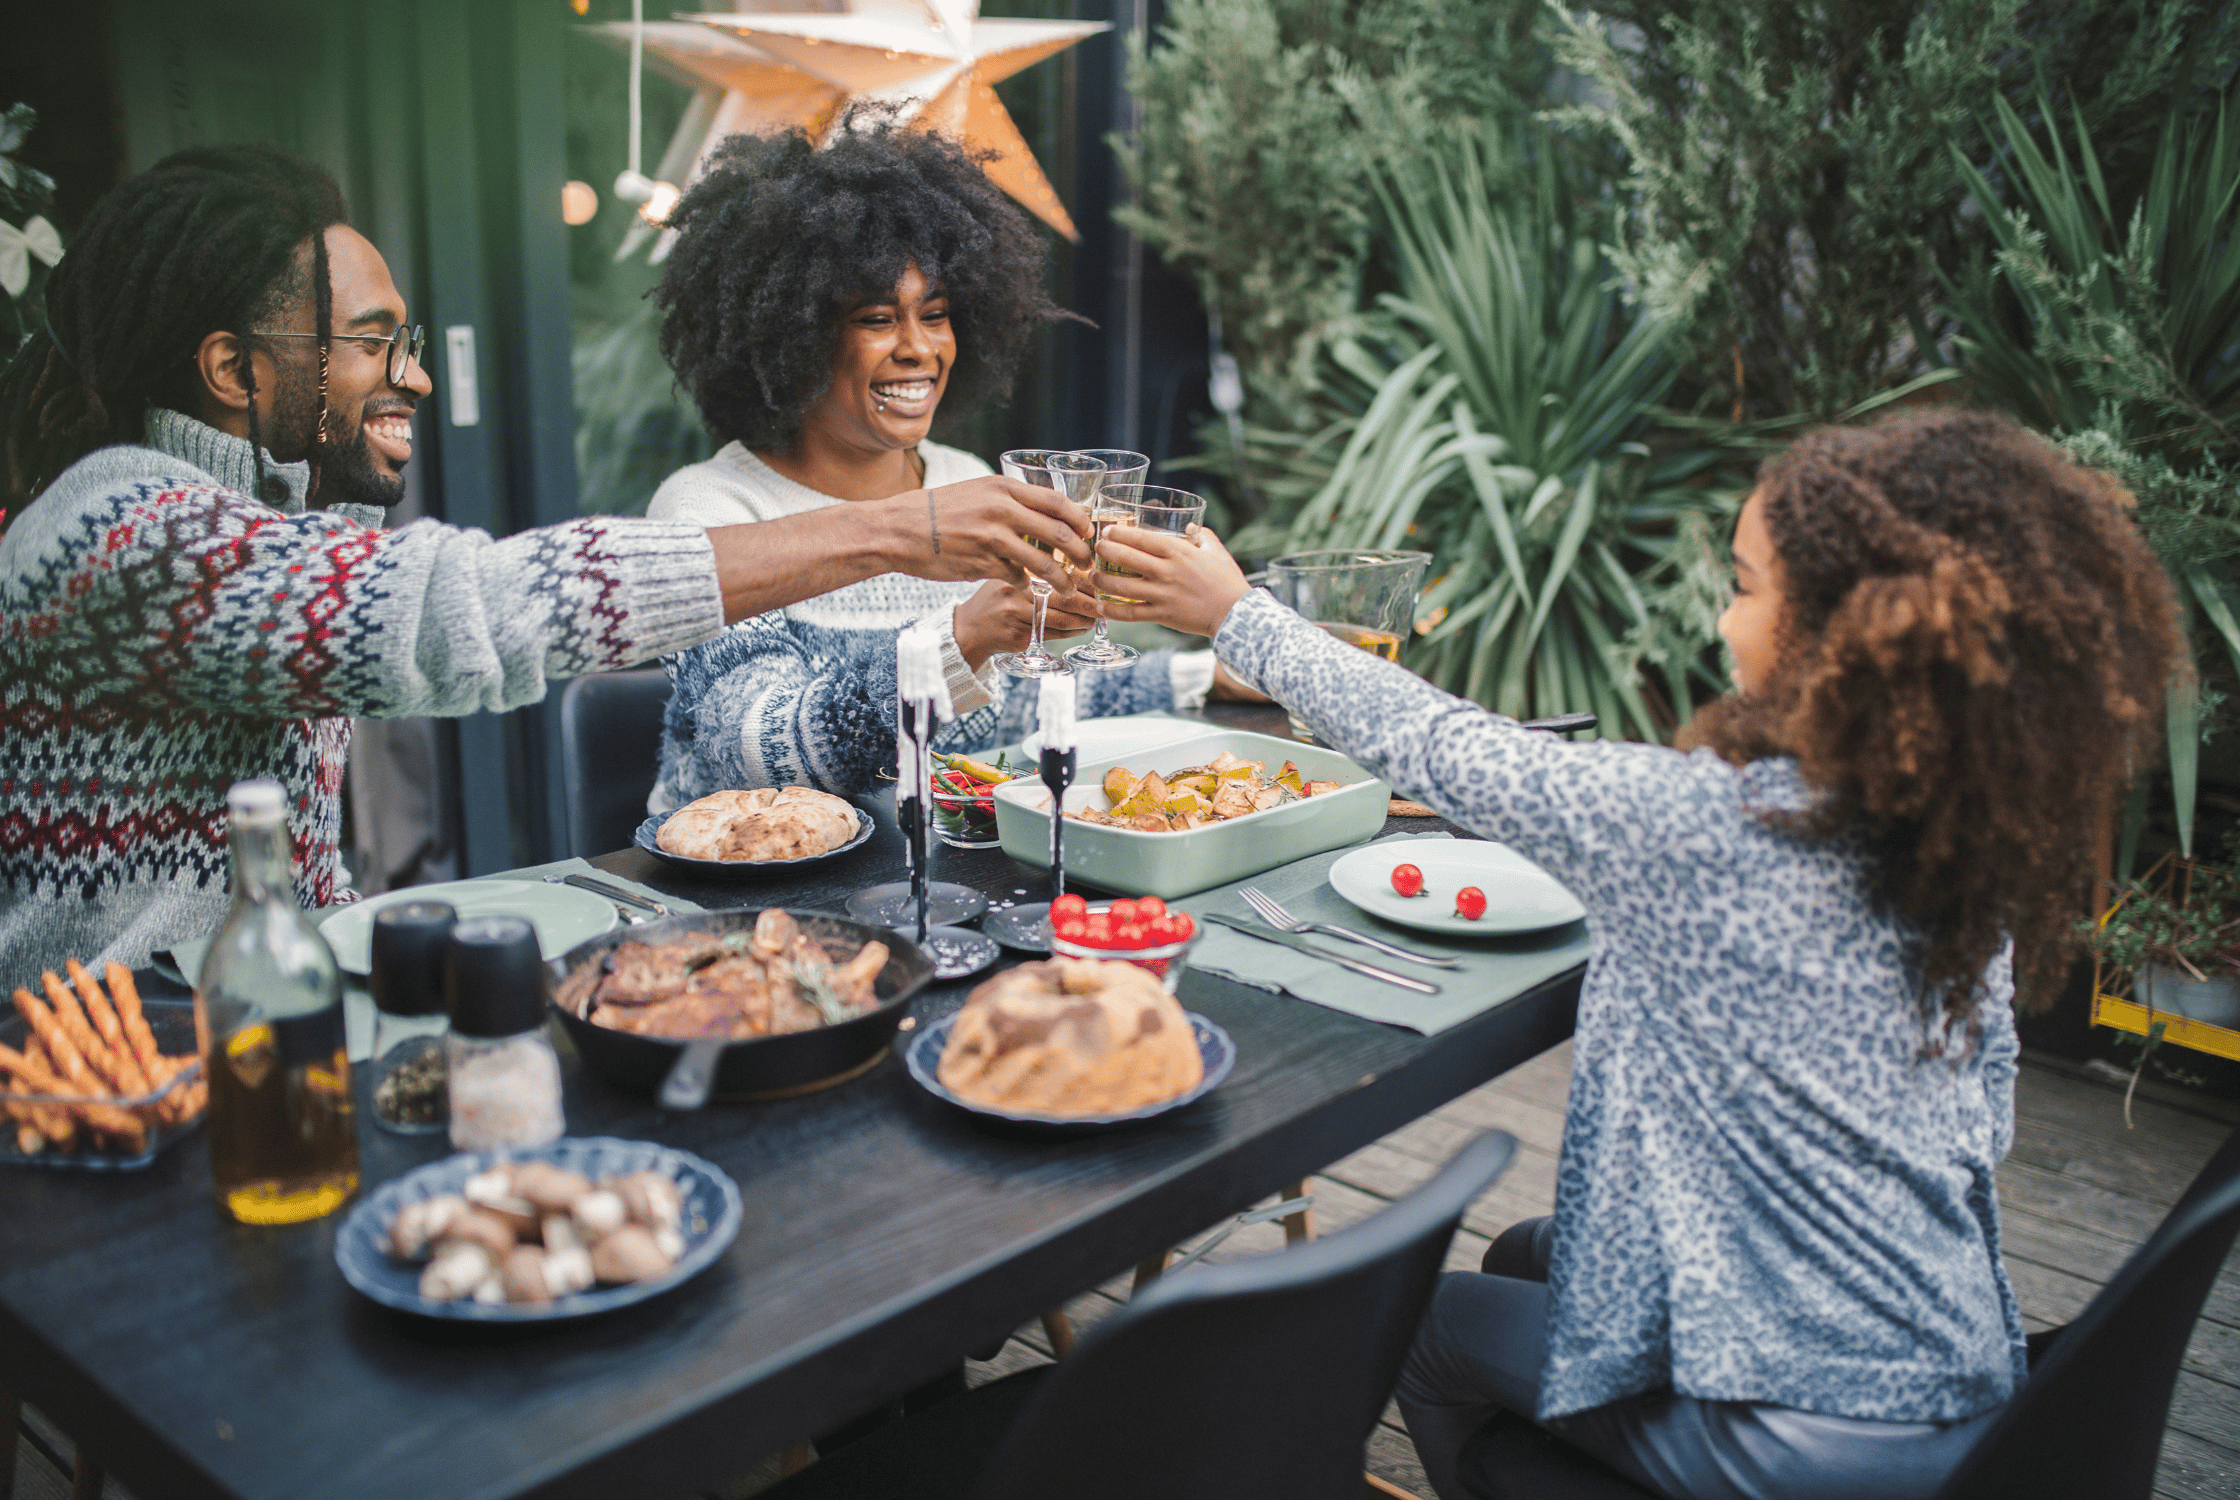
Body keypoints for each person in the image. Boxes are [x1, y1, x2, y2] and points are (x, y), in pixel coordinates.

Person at [1101, 410, 2187, 1500]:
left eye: (1745, 584)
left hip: (1799, 1436)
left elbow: (1445, 746)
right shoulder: (1956, 841)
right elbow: (1985, 1110)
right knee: (1529, 1252)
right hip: (1961, 1378)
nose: (1723, 616)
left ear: (1839, 638)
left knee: (1429, 1329)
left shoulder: (1710, 830)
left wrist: (1239, 615)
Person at [0, 144, 1092, 978]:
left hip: (257, 1019)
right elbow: (469, 609)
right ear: (235, 370)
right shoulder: (123, 528)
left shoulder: (272, 531)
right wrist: (903, 532)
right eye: (374, 344)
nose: (415, 381)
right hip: (106, 1081)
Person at [642, 117, 1248, 806]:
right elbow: (758, 755)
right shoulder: (711, 511)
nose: (918, 348)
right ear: (791, 335)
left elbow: (1009, 706)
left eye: (935, 314)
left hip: (934, 875)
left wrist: (1205, 677)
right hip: (754, 889)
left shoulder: (966, 481)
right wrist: (963, 637)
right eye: (877, 319)